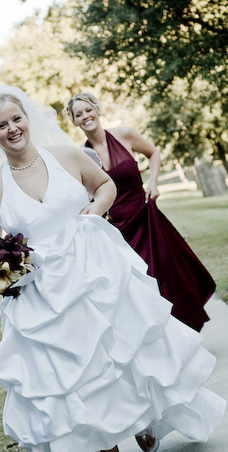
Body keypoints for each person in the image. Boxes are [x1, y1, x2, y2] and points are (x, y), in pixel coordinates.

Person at [0, 85, 226, 452]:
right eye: (1, 125)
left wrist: (94, 209)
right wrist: (3, 260)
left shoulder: (68, 155)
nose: (12, 128)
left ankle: (142, 419)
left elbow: (105, 186)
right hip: (46, 296)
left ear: (27, 119)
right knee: (78, 377)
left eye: (16, 119)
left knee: (124, 352)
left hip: (98, 270)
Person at [64, 92, 216, 332]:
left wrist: (153, 182)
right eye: (78, 114)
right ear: (74, 122)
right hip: (117, 229)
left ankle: (187, 327)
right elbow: (83, 192)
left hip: (145, 216)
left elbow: (153, 153)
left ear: (97, 110)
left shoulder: (124, 134)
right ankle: (164, 336)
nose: (85, 116)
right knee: (141, 285)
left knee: (168, 272)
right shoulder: (81, 156)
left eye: (88, 110)